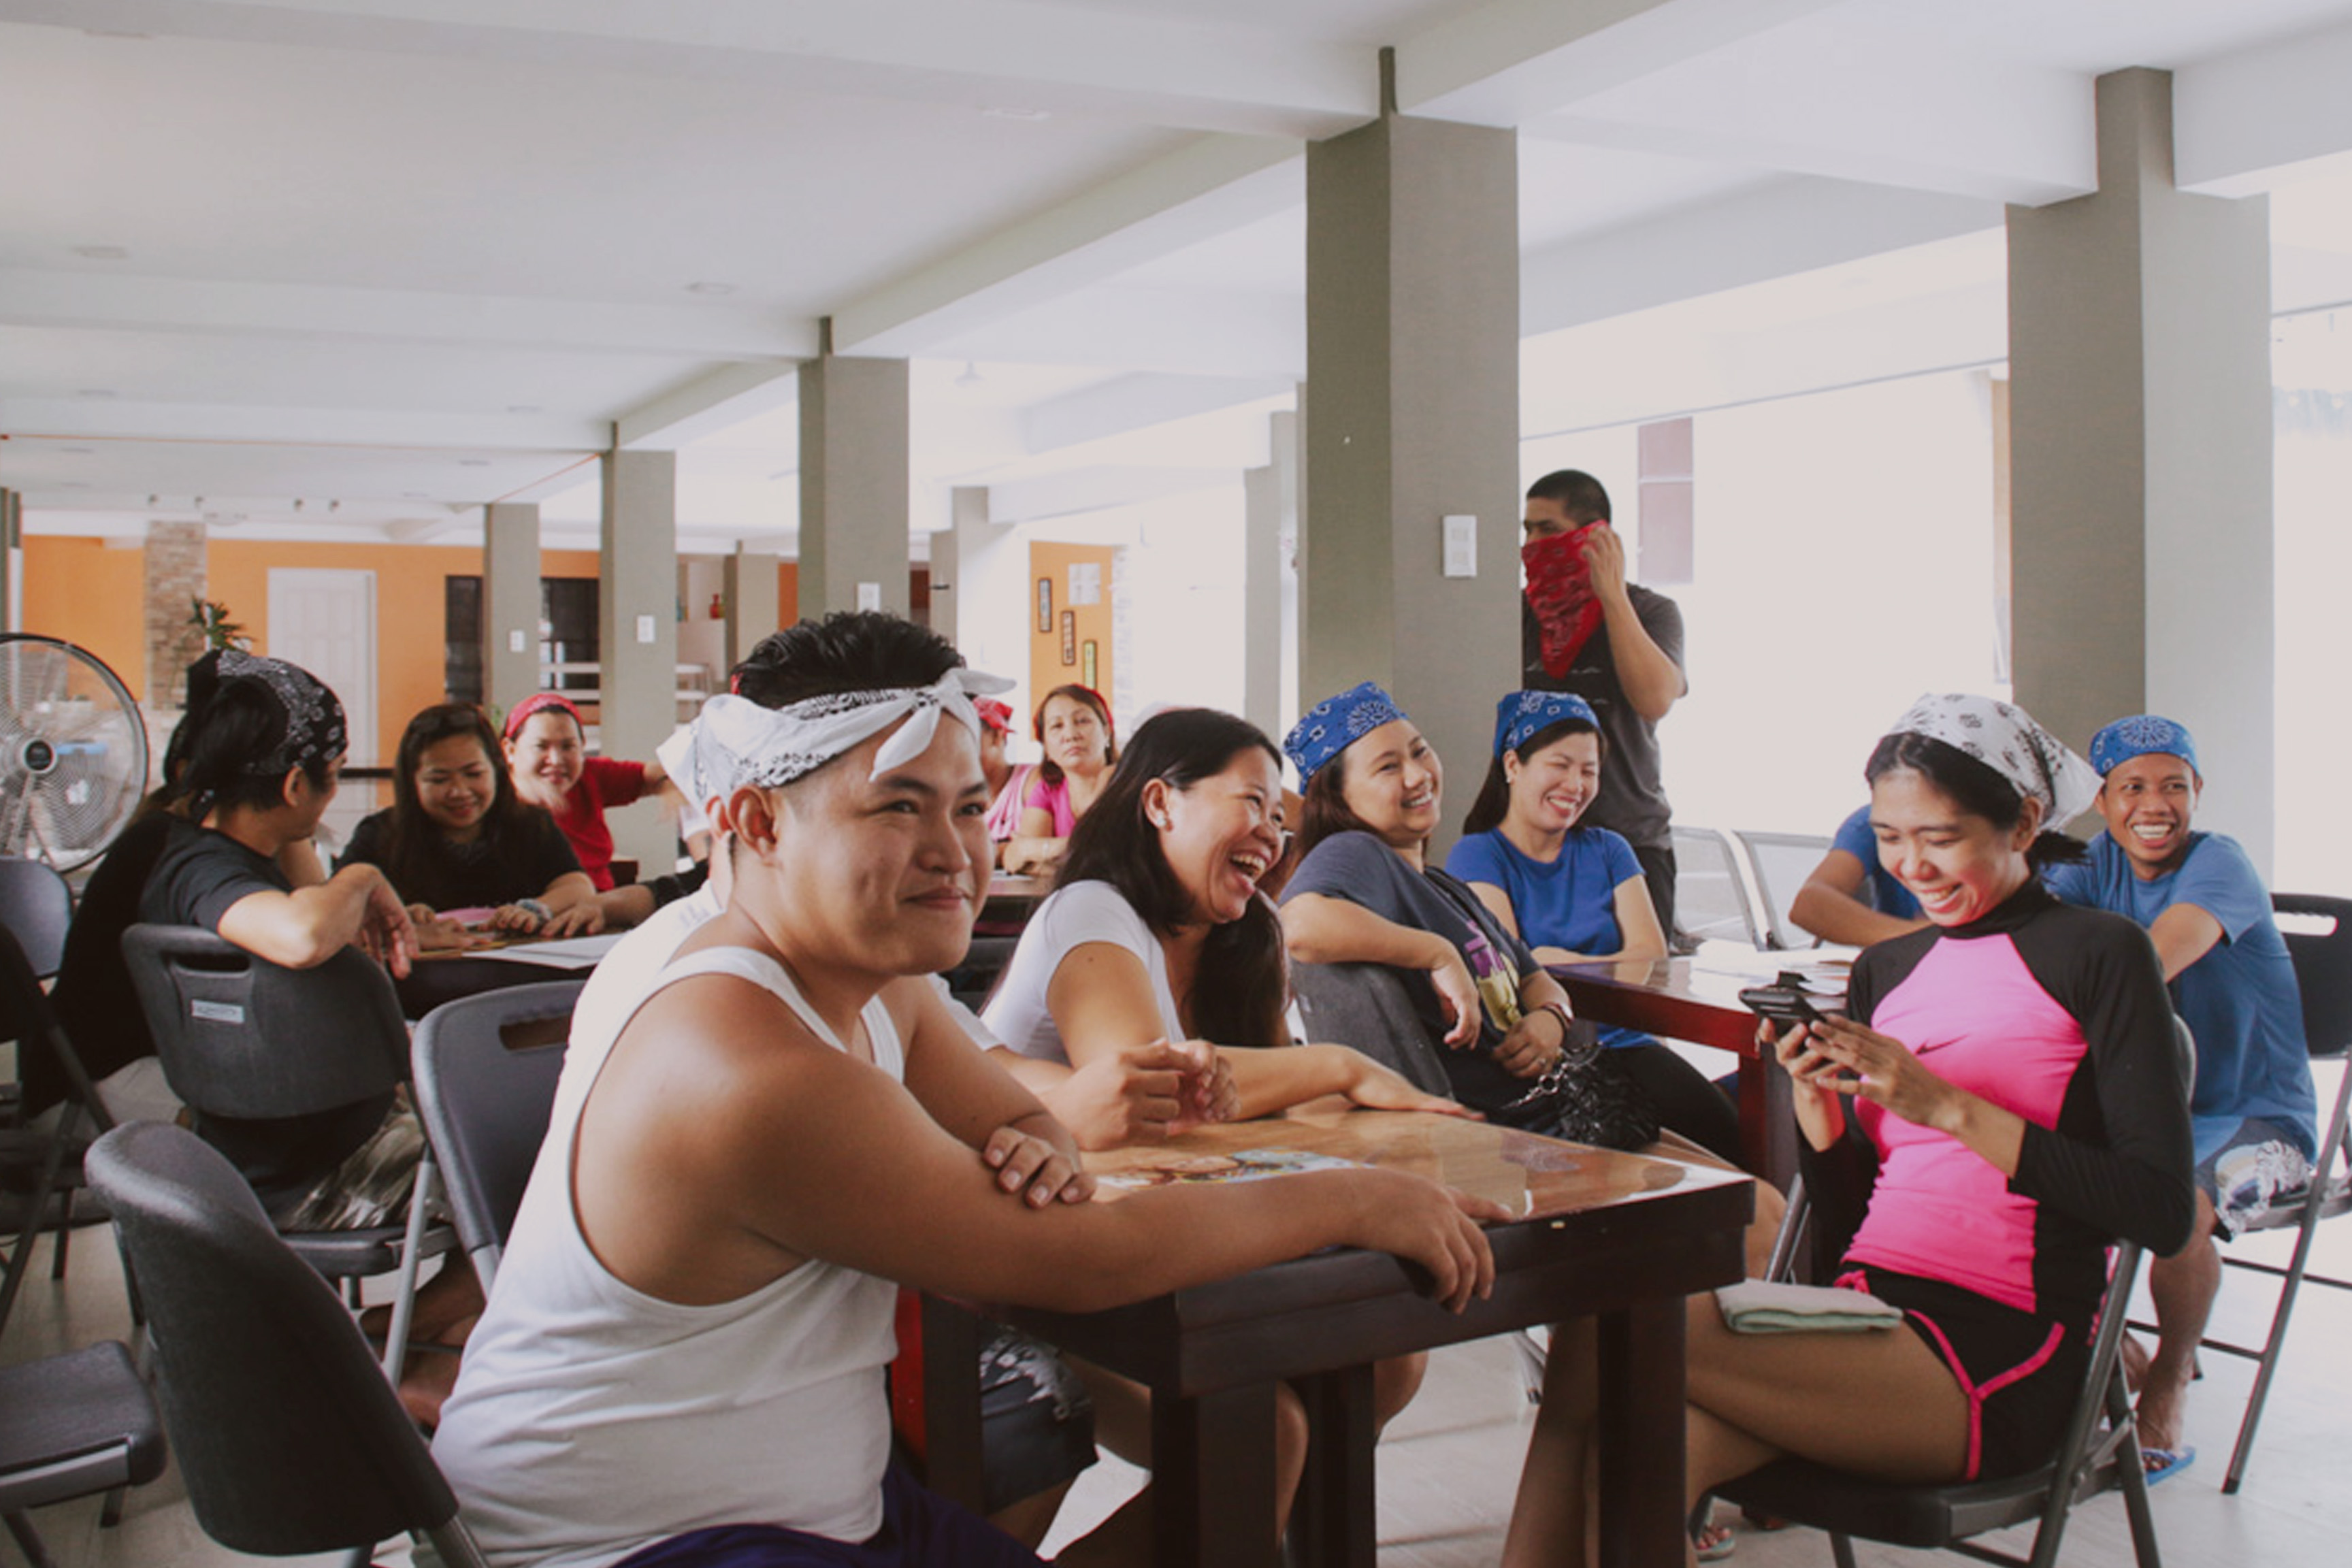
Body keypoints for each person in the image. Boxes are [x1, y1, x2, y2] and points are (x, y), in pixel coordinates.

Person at [431, 612, 1503, 1568]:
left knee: (1239, 1471)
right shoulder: (741, 1057)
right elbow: (1083, 1259)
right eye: (900, 806)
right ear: (758, 824)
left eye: (970, 806)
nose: (956, 855)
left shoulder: (866, 977)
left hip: (821, 1504)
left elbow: (1020, 1114)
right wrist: (1357, 1198)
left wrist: (1031, 1140)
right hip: (640, 1541)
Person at [1500, 694, 2195, 1568]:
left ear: (2023, 822)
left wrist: (1946, 1106)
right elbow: (1851, 1221)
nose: (1911, 866)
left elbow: (2161, 1210)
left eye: (1939, 838)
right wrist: (1819, 1116)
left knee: (1612, 1329)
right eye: (1890, 838)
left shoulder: (2102, 954)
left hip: (2001, 1351)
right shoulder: (1888, 970)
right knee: (1637, 1443)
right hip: (1862, 1315)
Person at [982, 706, 1475, 1539]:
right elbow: (1157, 1105)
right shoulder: (1092, 911)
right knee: (1260, 1432)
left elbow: (1273, 1108)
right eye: (1250, 802)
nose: (1271, 836)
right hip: (1041, 1274)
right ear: (1159, 803)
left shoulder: (1246, 937)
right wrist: (1341, 1065)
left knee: (1386, 1360)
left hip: (1164, 1245)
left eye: (1279, 818)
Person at [133, 652, 479, 1417]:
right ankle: (381, 1344)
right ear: (296, 787)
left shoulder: (209, 851)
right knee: (541, 1160)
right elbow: (301, 936)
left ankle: (410, 1346)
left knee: (507, 1145)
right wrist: (362, 876)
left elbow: (302, 901)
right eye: (331, 777)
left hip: (282, 1153)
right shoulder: (202, 871)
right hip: (312, 1175)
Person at [2042, 714, 2319, 1478]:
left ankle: (2166, 1380)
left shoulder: (2219, 862)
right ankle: (2115, 1351)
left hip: (2258, 1118)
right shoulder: (2090, 864)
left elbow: (2148, 966)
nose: (2154, 805)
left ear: (2198, 791)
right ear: (2103, 800)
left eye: (2173, 786)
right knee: (2025, 1177)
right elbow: (2026, 943)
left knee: (2177, 1205)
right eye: (2132, 788)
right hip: (2149, 1112)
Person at [1446, 691, 1743, 1164]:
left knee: (1729, 1135)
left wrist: (1555, 959)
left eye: (1589, 771)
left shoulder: (1610, 849)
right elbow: (1512, 966)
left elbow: (1651, 957)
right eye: (1560, 765)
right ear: (1513, 765)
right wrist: (1587, 962)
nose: (1576, 784)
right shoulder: (1478, 854)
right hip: (1551, 1058)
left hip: (1626, 1044)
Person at [1519, 470, 1688, 940]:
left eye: (1548, 530)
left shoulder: (1651, 611)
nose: (1533, 545)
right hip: (1537, 841)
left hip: (1629, 838)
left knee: (1638, 979)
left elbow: (1654, 699)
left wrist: (1612, 598)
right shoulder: (1519, 617)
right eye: (1528, 530)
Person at [338, 703, 595, 945]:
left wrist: (536, 908)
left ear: (496, 770)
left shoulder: (530, 823)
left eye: (474, 774)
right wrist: (397, 921)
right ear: (412, 782)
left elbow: (578, 887)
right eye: (439, 780)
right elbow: (336, 911)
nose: (459, 791)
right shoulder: (380, 835)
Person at [500, 691, 676, 893]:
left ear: (582, 747)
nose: (556, 760)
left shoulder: (591, 775)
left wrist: (672, 788)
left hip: (597, 903)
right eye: (541, 747)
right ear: (510, 751)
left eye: (568, 747)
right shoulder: (493, 795)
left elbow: (655, 775)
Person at [1001, 685, 1115, 875]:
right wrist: (1078, 853)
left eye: (1082, 721)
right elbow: (1015, 859)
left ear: (1107, 732)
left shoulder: (1124, 781)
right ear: (1046, 747)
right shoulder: (1047, 790)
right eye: (1057, 726)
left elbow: (1111, 856)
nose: (1071, 735)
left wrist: (1038, 849)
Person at [1788, 804, 1929, 947]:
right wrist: (1925, 938)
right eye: (1892, 839)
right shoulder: (1873, 820)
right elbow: (1810, 905)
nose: (1912, 868)